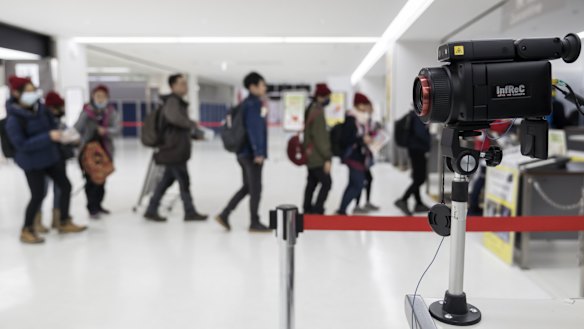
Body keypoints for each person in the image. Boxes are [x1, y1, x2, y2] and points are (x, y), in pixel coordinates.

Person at [5, 76, 86, 244]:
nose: (32, 94)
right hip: (32, 162)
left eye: (33, 90)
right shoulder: (13, 119)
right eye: (28, 91)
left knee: (65, 186)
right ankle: (27, 229)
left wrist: (66, 137)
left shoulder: (42, 110)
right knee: (38, 195)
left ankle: (63, 221)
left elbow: (54, 128)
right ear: (16, 93)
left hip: (51, 157)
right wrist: (48, 137)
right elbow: (21, 144)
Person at [143, 74, 208, 222]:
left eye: (185, 83)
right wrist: (191, 124)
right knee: (184, 181)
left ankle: (151, 209)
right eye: (181, 84)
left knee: (167, 180)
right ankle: (189, 211)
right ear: (173, 86)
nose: (185, 86)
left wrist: (192, 134)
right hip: (173, 150)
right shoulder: (173, 101)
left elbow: (175, 128)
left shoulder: (176, 102)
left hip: (175, 149)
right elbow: (175, 119)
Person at [216, 72, 271, 232]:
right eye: (262, 85)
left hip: (242, 153)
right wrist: (258, 152)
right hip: (251, 154)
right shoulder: (254, 104)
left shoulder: (244, 104)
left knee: (248, 186)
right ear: (253, 87)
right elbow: (254, 130)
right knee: (256, 189)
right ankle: (254, 222)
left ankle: (225, 214)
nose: (264, 88)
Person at [75, 85, 120, 219]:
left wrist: (105, 131)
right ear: (93, 97)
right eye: (98, 96)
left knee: (102, 180)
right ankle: (91, 207)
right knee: (91, 180)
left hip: (105, 152)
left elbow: (117, 130)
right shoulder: (86, 113)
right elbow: (77, 128)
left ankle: (99, 205)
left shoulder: (111, 113)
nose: (100, 99)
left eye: (103, 96)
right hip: (88, 153)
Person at [38, 91, 80, 232]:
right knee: (41, 191)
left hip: (59, 160)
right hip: (43, 161)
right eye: (56, 107)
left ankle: (58, 219)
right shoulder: (42, 121)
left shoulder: (60, 122)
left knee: (60, 189)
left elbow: (72, 135)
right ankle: (36, 222)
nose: (59, 110)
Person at [336, 92, 374, 215]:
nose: (365, 107)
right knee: (357, 184)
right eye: (363, 104)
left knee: (353, 183)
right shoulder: (351, 119)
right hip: (353, 157)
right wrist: (362, 139)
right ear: (358, 104)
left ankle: (342, 209)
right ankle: (342, 210)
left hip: (360, 156)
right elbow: (346, 139)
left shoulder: (361, 119)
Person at [302, 83, 333, 215]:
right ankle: (317, 209)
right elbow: (320, 138)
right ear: (320, 97)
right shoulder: (318, 112)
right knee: (327, 182)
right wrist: (327, 157)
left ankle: (307, 208)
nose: (328, 99)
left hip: (310, 154)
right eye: (327, 97)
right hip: (317, 156)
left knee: (312, 182)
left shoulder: (311, 108)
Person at [394, 109, 431, 216]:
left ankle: (418, 203)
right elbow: (420, 133)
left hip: (414, 149)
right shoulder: (419, 117)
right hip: (417, 149)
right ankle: (403, 199)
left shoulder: (415, 115)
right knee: (420, 178)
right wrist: (428, 140)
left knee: (416, 177)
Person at [354, 105, 381, 214]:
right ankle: (357, 205)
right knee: (362, 180)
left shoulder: (368, 122)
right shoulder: (359, 121)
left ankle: (365, 202)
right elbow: (359, 137)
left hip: (365, 156)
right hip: (359, 157)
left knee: (368, 179)